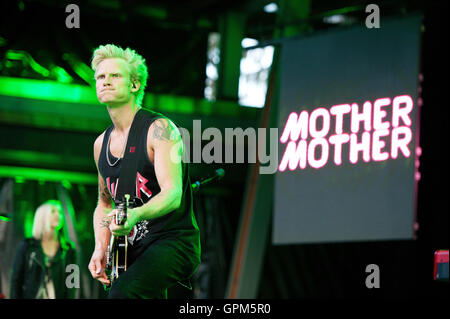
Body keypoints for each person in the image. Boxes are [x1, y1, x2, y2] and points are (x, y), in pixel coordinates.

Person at [87, 44, 201, 299]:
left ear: (135, 85)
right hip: (131, 249)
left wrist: (135, 214)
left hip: (173, 242)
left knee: (123, 294)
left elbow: (173, 194)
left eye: (115, 75)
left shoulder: (160, 129)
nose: (105, 81)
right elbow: (104, 203)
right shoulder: (99, 145)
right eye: (100, 77)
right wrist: (100, 246)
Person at [10, 200, 76, 299]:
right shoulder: (27, 246)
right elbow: (16, 280)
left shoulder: (68, 249)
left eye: (60, 212)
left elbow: (73, 283)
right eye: (53, 211)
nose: (58, 215)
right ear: (42, 216)